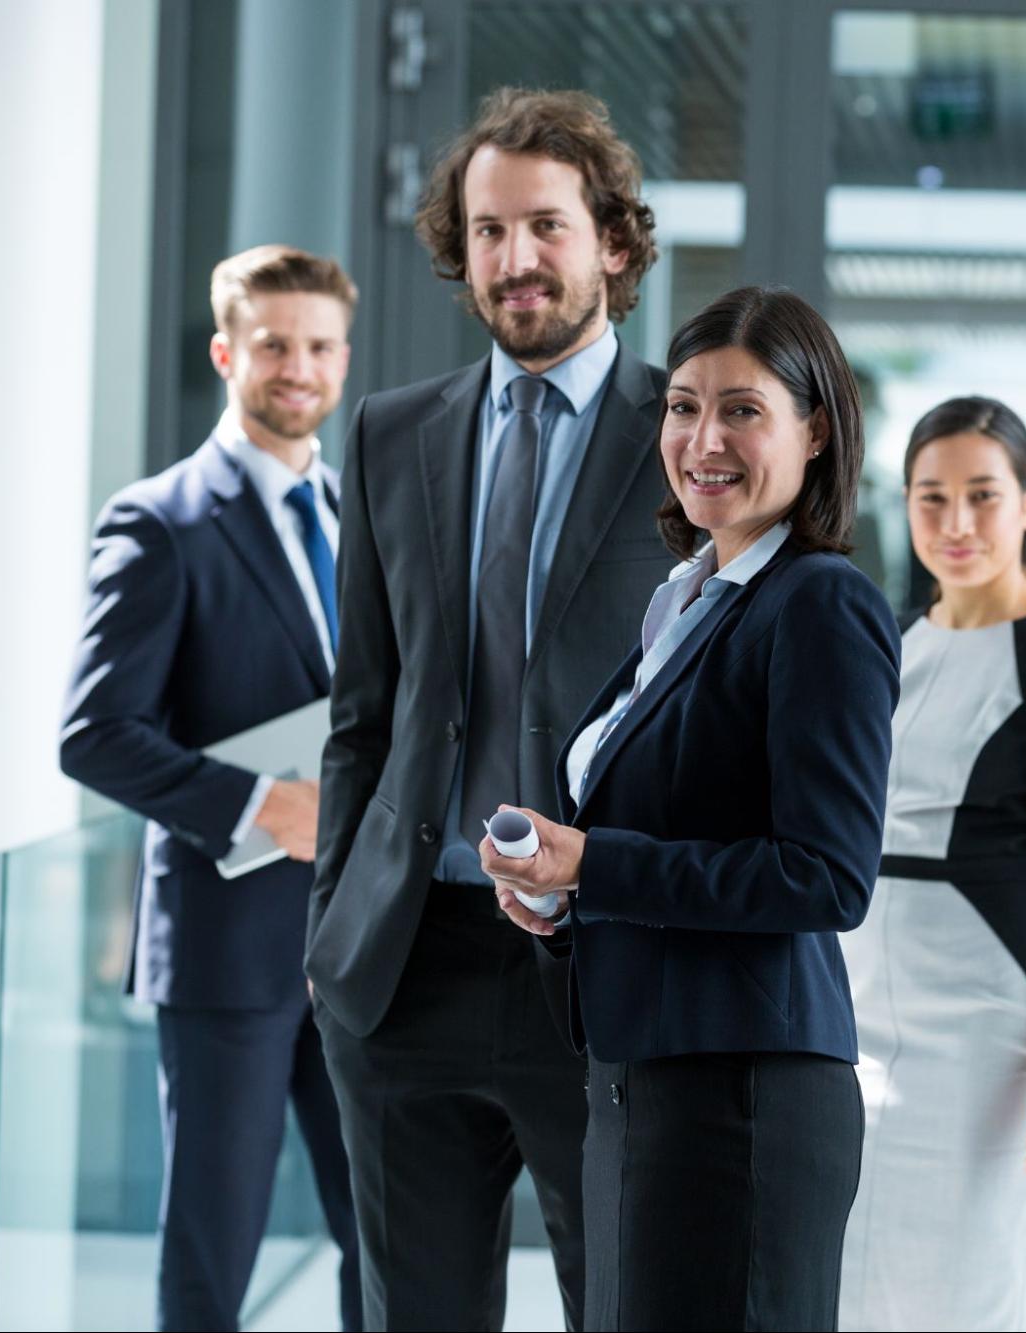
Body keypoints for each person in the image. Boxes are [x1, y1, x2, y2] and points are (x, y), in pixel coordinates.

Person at [305, 88, 667, 1331]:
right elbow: (364, 710)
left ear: (612, 242)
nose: (516, 259)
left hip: (602, 964)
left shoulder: (692, 437)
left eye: (547, 227)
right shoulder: (390, 432)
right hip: (408, 963)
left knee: (619, 1305)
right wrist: (332, 930)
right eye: (490, 231)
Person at [482, 286, 900, 1332]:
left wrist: (595, 864)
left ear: (815, 430)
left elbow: (825, 875)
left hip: (743, 1101)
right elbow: (666, 833)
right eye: (681, 406)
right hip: (644, 1080)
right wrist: (562, 900)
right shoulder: (685, 598)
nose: (702, 437)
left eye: (743, 410)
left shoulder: (820, 603)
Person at [59, 244, 363, 1333]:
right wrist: (256, 805)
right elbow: (94, 734)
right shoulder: (159, 522)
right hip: (228, 953)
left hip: (360, 950)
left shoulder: (356, 516)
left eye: (321, 345)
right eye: (276, 343)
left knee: (382, 1242)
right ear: (226, 350)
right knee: (211, 1258)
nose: (300, 366)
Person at [838, 398, 1026, 1332]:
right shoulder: (888, 642)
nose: (955, 525)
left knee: (971, 1285)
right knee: (850, 1279)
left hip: (989, 1029)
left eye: (980, 496)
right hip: (857, 1011)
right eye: (931, 499)